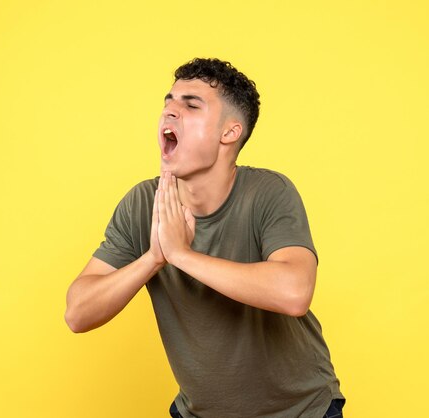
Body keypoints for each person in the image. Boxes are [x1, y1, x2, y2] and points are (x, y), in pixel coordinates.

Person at [64, 58, 345, 418]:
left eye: (190, 105)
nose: (170, 111)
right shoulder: (143, 204)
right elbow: (77, 313)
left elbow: (294, 293)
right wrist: (153, 258)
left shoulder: (268, 192)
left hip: (301, 411)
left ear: (229, 132)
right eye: (169, 102)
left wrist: (181, 255)